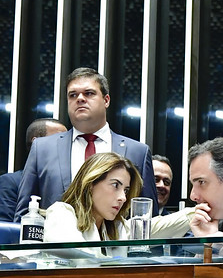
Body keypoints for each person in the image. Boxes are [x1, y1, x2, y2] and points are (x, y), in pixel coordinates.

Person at [15, 67, 158, 222]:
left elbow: (149, 219)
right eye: (73, 95)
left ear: (106, 100)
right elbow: (24, 213)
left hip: (115, 237)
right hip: (54, 237)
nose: (80, 99)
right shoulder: (42, 148)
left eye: (89, 93)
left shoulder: (137, 152)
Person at [43, 152, 194, 256]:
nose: (123, 198)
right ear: (90, 183)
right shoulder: (61, 213)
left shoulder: (116, 228)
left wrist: (198, 211)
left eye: (126, 190)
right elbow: (81, 257)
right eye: (115, 185)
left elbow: (160, 227)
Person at [0, 118, 67, 222]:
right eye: (59, 138)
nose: (65, 144)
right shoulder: (10, 182)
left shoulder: (65, 182)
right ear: (37, 142)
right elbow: (6, 227)